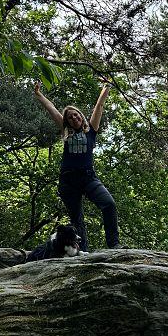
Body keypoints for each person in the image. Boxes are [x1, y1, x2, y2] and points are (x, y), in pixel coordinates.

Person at [33, 80, 123, 251]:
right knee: (77, 219)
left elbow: (99, 106)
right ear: (66, 121)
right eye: (69, 117)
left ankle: (114, 244)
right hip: (68, 181)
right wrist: (38, 94)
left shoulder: (92, 130)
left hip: (88, 177)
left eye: (76, 115)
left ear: (81, 117)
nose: (74, 118)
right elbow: (51, 109)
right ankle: (82, 252)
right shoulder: (66, 132)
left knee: (109, 204)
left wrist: (106, 88)